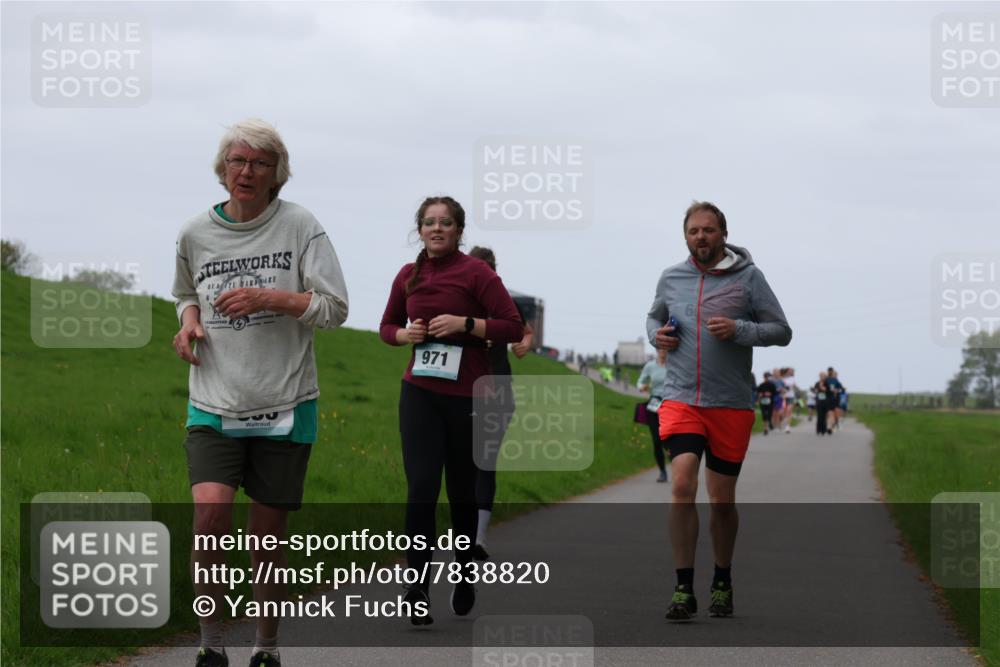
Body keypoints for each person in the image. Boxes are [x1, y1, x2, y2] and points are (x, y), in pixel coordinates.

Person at [172, 119, 349, 667]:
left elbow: (335, 309)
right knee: (209, 525)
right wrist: (188, 322)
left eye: (259, 164)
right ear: (223, 168)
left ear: (277, 174)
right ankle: (211, 646)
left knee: (266, 539)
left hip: (285, 404)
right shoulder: (194, 233)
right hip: (213, 402)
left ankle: (266, 648)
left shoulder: (301, 227)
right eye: (237, 161)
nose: (246, 172)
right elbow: (184, 292)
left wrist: (272, 298)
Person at [379, 197, 523, 625]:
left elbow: (512, 325)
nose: (436, 229)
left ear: (459, 230)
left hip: (468, 397)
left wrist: (466, 324)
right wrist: (405, 336)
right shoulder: (407, 275)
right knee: (422, 487)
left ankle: (463, 574)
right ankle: (417, 586)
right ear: (419, 230)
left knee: (461, 492)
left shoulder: (477, 273)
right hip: (419, 393)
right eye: (429, 222)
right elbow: (386, 326)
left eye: (445, 223)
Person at [646, 201, 791, 621]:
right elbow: (653, 319)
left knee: (722, 500)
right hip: (681, 398)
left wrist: (739, 329)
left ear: (723, 234)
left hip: (729, 403)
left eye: (708, 230)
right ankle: (683, 588)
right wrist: (658, 336)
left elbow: (782, 331)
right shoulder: (671, 277)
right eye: (693, 231)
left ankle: (722, 580)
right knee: (681, 483)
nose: (701, 237)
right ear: (685, 236)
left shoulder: (749, 278)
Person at [466, 246, 535, 560]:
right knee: (463, 464)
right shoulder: (459, 300)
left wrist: (524, 344)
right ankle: (466, 532)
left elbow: (526, 331)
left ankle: (478, 538)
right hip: (464, 390)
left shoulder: (502, 300)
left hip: (497, 390)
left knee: (484, 461)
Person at [637, 348, 670, 482]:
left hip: (671, 405)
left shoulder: (674, 364)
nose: (663, 350)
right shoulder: (650, 366)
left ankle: (677, 466)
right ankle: (662, 471)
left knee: (669, 440)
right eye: (660, 347)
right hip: (654, 405)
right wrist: (642, 387)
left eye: (665, 348)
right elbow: (640, 382)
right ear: (657, 349)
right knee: (657, 441)